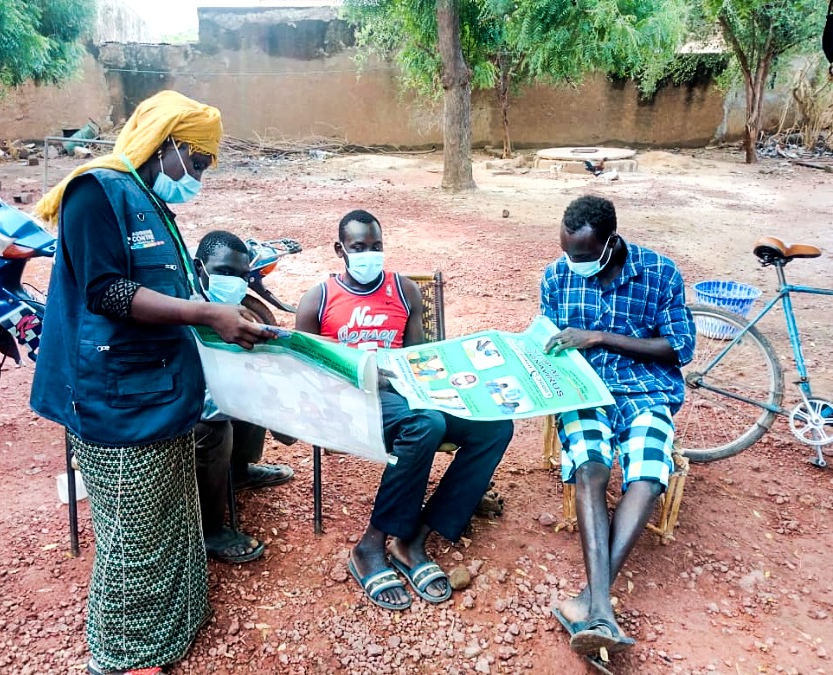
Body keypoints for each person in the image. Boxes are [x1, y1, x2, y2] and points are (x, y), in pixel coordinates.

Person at [30, 90, 274, 675]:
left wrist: (221, 314)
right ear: (167, 144)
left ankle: (176, 623)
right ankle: (120, 656)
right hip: (115, 398)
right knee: (133, 534)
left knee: (169, 515)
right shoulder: (95, 191)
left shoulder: (150, 201)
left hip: (158, 388)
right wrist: (206, 314)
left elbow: (167, 287)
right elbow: (107, 292)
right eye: (199, 161)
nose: (200, 177)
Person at [296, 209, 514, 611]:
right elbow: (306, 371)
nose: (369, 254)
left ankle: (413, 538)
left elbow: (417, 359)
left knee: (494, 425)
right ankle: (370, 545)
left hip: (405, 395)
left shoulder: (405, 291)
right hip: (350, 402)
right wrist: (361, 374)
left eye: (376, 246)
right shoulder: (318, 299)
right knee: (425, 423)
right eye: (359, 247)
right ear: (340, 250)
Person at [540, 195, 695, 656]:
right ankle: (601, 607)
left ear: (611, 243)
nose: (574, 264)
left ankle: (591, 600)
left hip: (647, 391)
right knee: (590, 467)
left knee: (648, 473)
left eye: (584, 256)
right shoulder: (557, 276)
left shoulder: (659, 272)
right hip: (584, 390)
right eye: (568, 253)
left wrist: (601, 338)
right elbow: (546, 341)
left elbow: (680, 347)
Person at [192, 230, 295, 564]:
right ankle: (209, 529)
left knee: (252, 388)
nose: (234, 282)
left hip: (214, 393)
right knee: (214, 428)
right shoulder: (185, 308)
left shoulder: (238, 311)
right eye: (224, 272)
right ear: (199, 268)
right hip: (183, 404)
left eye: (240, 275)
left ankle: (239, 472)